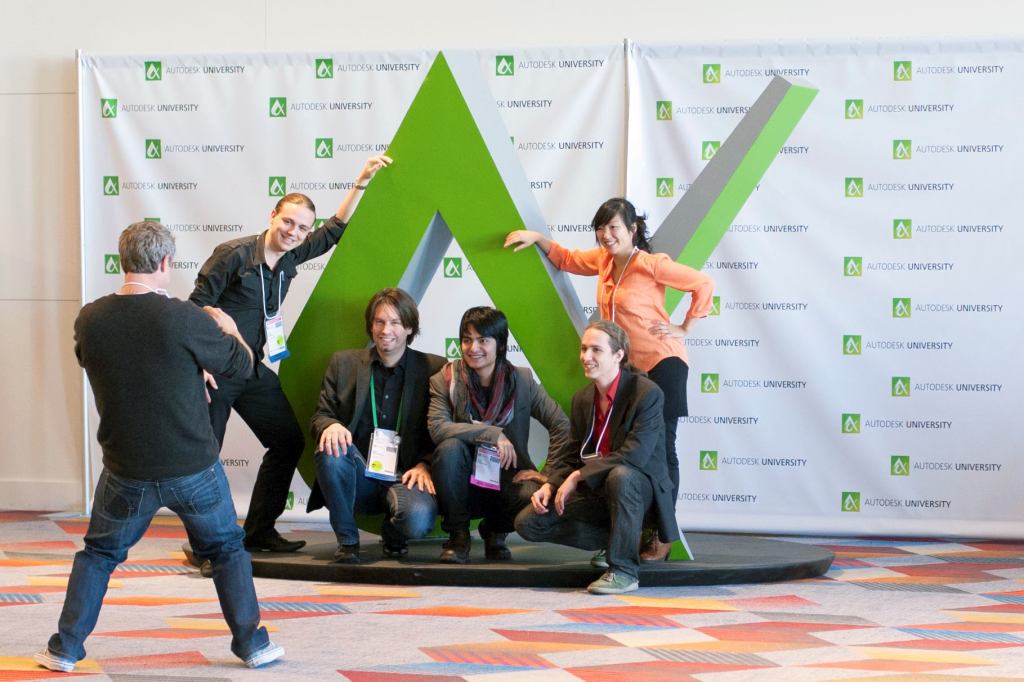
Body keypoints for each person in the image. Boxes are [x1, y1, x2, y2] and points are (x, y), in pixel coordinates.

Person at [36, 222, 282, 673]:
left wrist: (189, 371)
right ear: (166, 263)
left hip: (125, 468)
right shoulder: (185, 318)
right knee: (227, 549)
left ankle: (65, 649)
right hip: (194, 468)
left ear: (122, 259)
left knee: (98, 555)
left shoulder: (90, 318)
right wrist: (230, 329)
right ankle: (253, 646)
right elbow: (241, 369)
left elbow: (114, 363)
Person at [189, 155, 391, 554]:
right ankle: (209, 545)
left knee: (287, 441)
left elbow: (335, 230)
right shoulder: (232, 255)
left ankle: (260, 531)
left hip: (250, 368)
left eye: (301, 227)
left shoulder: (292, 256)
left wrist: (362, 181)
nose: (293, 232)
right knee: (206, 459)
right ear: (272, 216)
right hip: (214, 370)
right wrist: (198, 364)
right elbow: (195, 308)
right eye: (287, 222)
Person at [504, 198, 713, 561]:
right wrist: (538, 237)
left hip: (663, 362)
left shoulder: (651, 264)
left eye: (614, 227)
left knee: (663, 452)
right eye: (601, 228)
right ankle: (625, 528)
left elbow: (703, 283)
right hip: (626, 369)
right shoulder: (602, 261)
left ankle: (663, 537)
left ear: (632, 230)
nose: (606, 235)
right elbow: (567, 259)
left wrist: (684, 326)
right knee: (624, 451)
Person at [515, 321, 678, 595]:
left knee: (621, 475)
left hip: (640, 491)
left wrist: (578, 476)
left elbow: (634, 455)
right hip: (600, 489)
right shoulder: (582, 399)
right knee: (528, 522)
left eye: (596, 350)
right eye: (583, 349)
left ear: (618, 355)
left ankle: (624, 571)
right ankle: (618, 540)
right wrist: (551, 484)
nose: (586, 357)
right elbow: (572, 454)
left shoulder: (647, 393)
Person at [307, 288, 446, 563]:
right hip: (360, 474)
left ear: (409, 327)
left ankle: (394, 532)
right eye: (379, 322)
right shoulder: (343, 363)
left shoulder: (434, 368)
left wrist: (425, 464)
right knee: (331, 450)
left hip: (407, 475)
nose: (386, 330)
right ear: (371, 326)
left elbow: (445, 427)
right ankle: (347, 542)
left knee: (416, 521)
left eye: (395, 322)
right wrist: (330, 425)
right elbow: (320, 416)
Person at [428, 307, 570, 564]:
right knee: (449, 448)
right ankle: (458, 536)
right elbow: (438, 427)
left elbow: (561, 425)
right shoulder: (445, 379)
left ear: (501, 344)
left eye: (483, 340)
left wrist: (548, 474)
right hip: (460, 479)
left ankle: (495, 530)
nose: (473, 348)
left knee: (536, 497)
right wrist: (492, 433)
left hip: (506, 475)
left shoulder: (522, 381)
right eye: (467, 339)